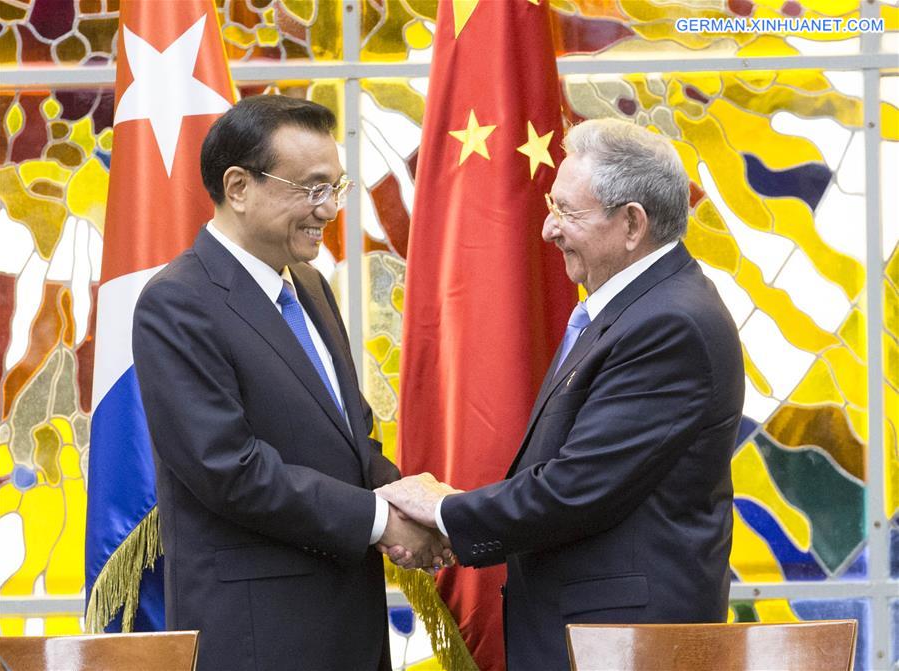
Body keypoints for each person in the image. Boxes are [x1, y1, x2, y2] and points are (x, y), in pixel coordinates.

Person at [378, 118, 745, 670]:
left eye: (567, 212)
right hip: (593, 634)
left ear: (631, 224)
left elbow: (577, 487)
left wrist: (445, 511)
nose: (548, 229)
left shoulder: (669, 324)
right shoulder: (636, 309)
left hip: (625, 644)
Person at [132, 95, 447, 671]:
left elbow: (350, 438)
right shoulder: (177, 302)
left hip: (350, 621)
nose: (329, 210)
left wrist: (409, 500)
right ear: (238, 187)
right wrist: (381, 521)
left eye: (337, 188)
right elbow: (228, 469)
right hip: (261, 635)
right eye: (311, 188)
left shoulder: (310, 286)